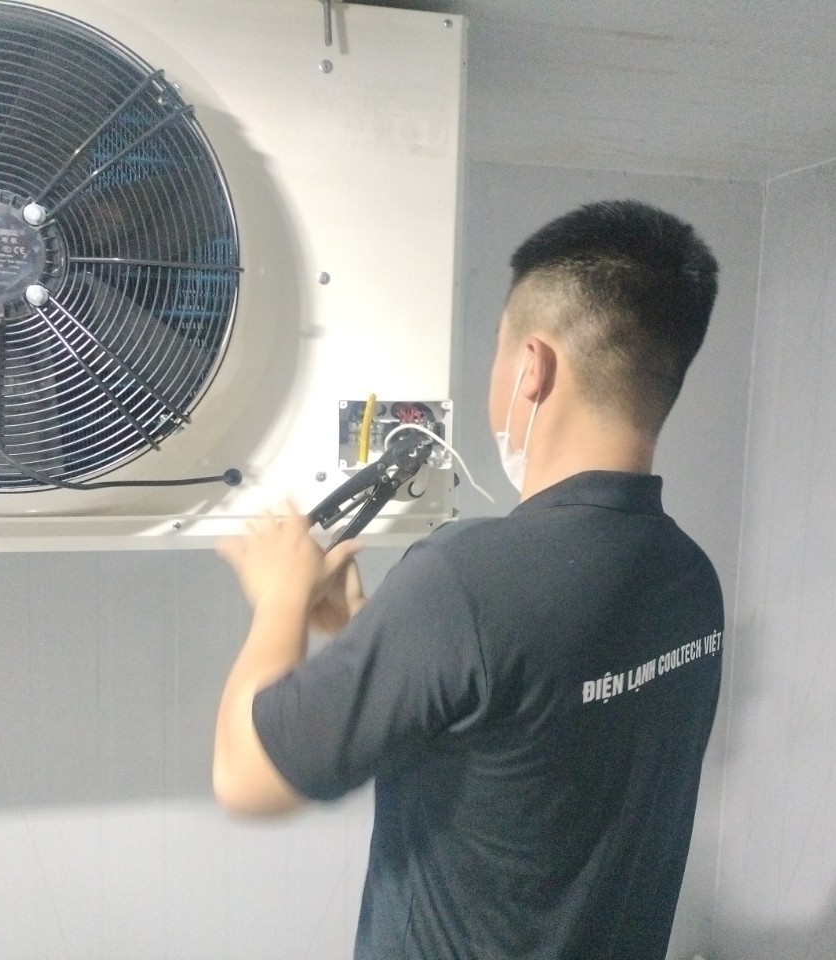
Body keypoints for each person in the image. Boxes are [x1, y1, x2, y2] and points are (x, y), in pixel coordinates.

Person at [214, 199, 725, 959]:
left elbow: (246, 776)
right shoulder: (690, 579)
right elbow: (524, 733)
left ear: (532, 367)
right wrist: (373, 636)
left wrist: (279, 600)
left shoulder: (464, 580)